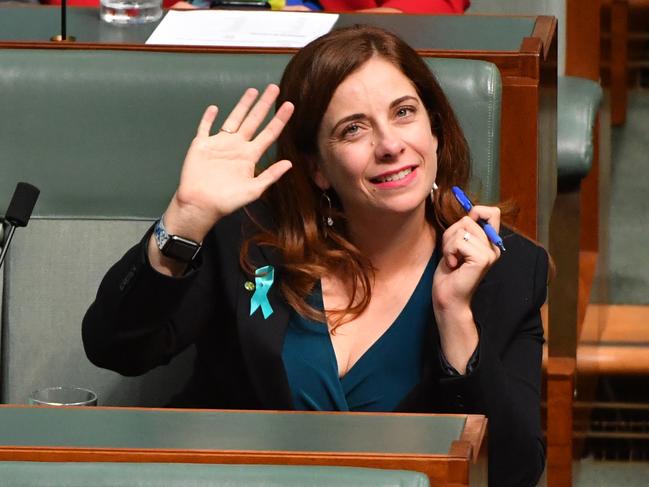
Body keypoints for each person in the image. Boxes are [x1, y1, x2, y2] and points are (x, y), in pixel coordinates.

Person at [82, 25, 547, 486]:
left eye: (404, 112)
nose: (389, 145)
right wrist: (184, 219)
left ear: (436, 132)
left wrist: (456, 319)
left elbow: (512, 472)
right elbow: (117, 347)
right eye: (353, 129)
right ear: (317, 168)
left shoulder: (507, 269)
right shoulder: (249, 237)